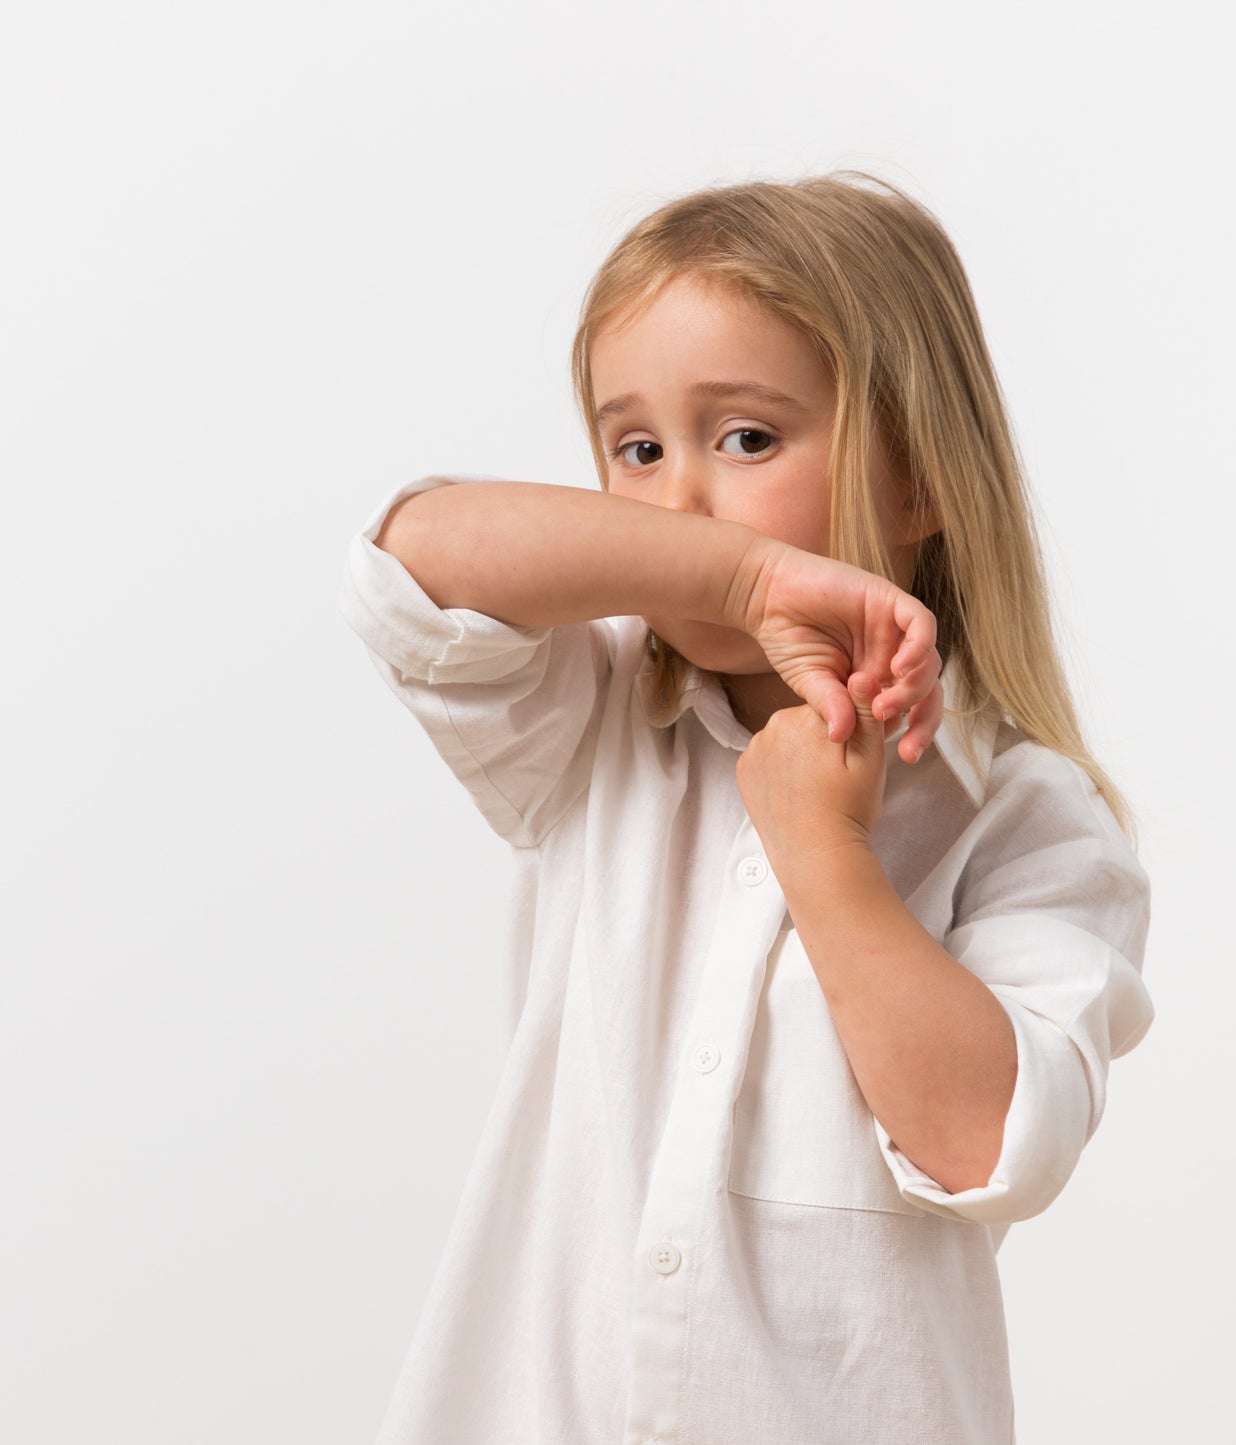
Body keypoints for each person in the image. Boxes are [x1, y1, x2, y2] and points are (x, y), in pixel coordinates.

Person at [338, 171, 1154, 1445]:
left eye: (747, 438)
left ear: (917, 477)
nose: (675, 497)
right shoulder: (593, 718)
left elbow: (988, 1139)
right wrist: (750, 564)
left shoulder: (1026, 818)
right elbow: (409, 559)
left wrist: (826, 855)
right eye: (637, 447)